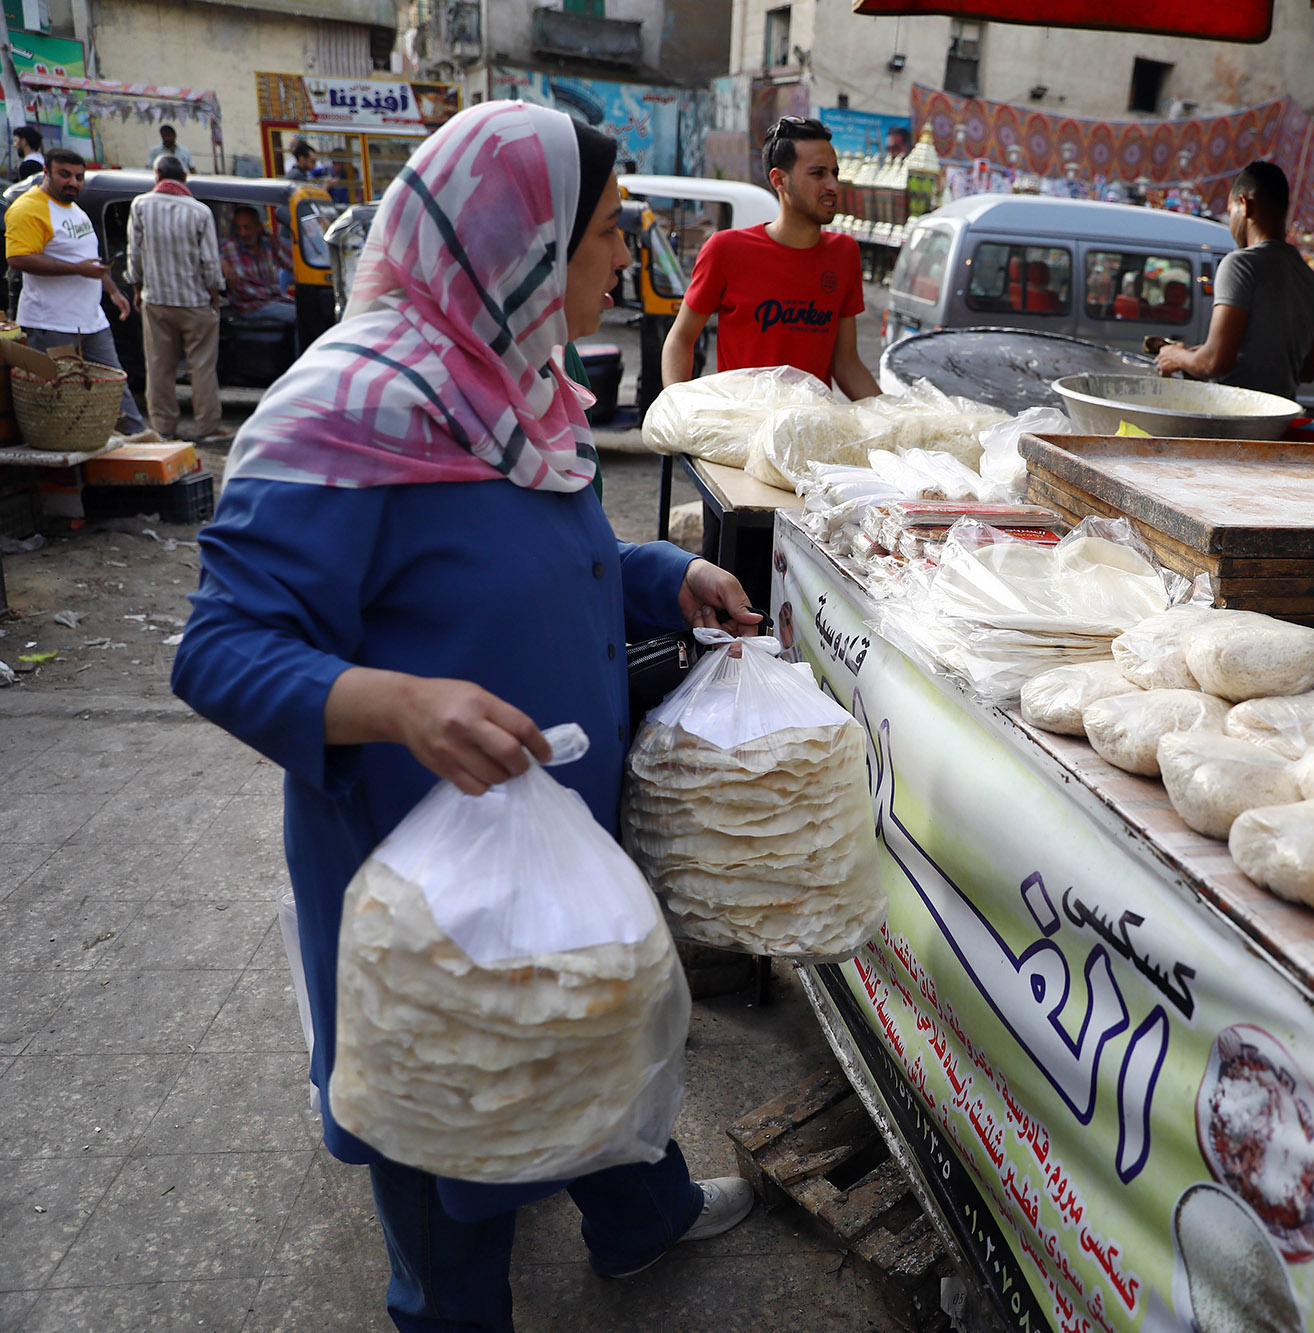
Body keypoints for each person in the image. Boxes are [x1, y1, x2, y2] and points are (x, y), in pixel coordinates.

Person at [168, 101, 760, 1331]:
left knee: (584, 1025)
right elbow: (219, 648)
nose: (624, 264)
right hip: (426, 872)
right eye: (604, 233)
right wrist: (401, 704)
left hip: (553, 835)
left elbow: (555, 551)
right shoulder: (346, 405)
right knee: (455, 1120)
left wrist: (662, 573)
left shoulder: (515, 385)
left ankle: (636, 1220)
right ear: (522, 241)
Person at [661, 116, 879, 398]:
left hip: (812, 433)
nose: (833, 186)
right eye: (818, 173)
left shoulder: (844, 253)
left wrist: (897, 420)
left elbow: (846, 363)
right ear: (780, 180)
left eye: (835, 174)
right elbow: (680, 338)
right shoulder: (726, 249)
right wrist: (677, 408)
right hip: (742, 432)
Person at [1154, 160, 1314, 401]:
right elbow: (1307, 371)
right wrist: (1200, 355)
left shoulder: (1240, 264)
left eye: (1230, 211)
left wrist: (1177, 356)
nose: (1231, 222)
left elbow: (1215, 362)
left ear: (1244, 205)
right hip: (1279, 423)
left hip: (1236, 419)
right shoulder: (1310, 279)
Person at [5, 146, 145, 434]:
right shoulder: (28, 208)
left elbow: (87, 259)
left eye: (79, 177)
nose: (73, 183)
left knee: (115, 384)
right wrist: (78, 270)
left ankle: (142, 441)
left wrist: (112, 290)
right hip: (51, 323)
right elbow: (18, 258)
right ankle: (63, 462)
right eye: (65, 175)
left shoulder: (73, 208)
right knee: (56, 396)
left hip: (91, 321)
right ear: (46, 173)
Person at [126, 153, 225, 442]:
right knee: (203, 368)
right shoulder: (199, 211)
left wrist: (137, 288)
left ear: (157, 176)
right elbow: (210, 262)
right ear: (184, 178)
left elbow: (135, 253)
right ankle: (208, 427)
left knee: (158, 366)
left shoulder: (140, 205)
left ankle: (164, 428)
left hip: (156, 300)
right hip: (195, 303)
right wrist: (214, 295)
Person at [220, 204, 295, 323]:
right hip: (250, 307)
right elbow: (208, 256)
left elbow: (293, 265)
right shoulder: (228, 249)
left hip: (276, 300)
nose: (242, 233)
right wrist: (222, 262)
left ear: (258, 227)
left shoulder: (269, 243)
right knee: (298, 315)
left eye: (246, 227)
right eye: (238, 228)